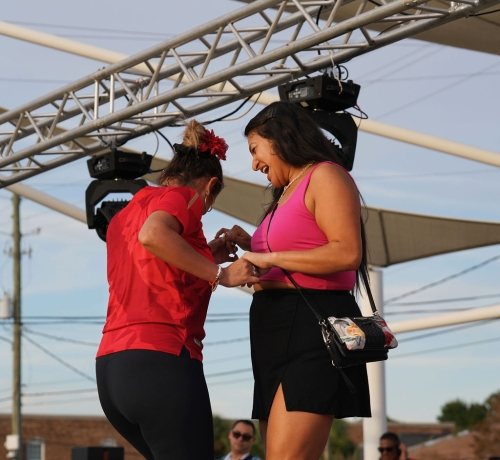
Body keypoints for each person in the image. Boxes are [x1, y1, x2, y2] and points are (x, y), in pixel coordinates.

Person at [95, 120, 259, 460]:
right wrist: (221, 274)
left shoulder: (125, 213)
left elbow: (151, 266)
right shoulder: (181, 196)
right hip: (161, 361)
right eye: (210, 203)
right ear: (210, 185)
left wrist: (203, 255)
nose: (204, 210)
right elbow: (154, 236)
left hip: (112, 367)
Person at [217, 101, 371, 460]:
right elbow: (299, 245)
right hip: (272, 329)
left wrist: (268, 257)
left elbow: (347, 253)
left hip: (311, 326)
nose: (254, 163)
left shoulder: (327, 175)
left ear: (280, 138)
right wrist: (250, 242)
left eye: (255, 150)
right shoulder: (284, 193)